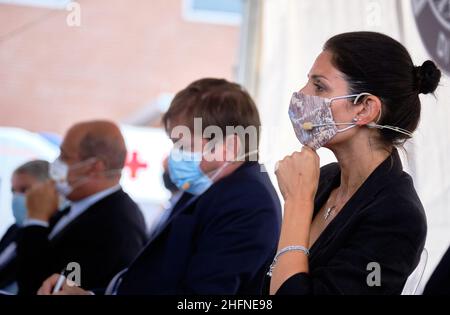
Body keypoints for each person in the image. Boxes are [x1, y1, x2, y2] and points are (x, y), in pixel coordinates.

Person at [38, 78, 282, 295]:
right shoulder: (208, 188)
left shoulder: (249, 204)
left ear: (229, 147)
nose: (174, 156)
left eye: (184, 145)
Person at [268, 31, 440, 295]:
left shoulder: (398, 217)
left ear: (364, 109)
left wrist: (297, 203)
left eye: (319, 86)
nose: (302, 94)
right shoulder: (325, 178)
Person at [16, 120, 147, 295]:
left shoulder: (117, 224)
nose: (57, 163)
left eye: (65, 156)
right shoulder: (76, 207)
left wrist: (36, 221)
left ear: (94, 167)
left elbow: (43, 287)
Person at [0, 160, 50, 293]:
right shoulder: (14, 229)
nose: (16, 197)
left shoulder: (51, 234)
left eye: (24, 189)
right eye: (13, 190)